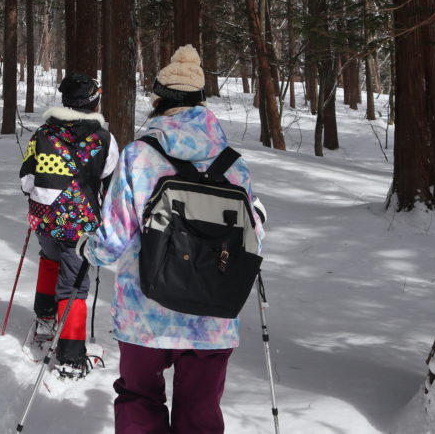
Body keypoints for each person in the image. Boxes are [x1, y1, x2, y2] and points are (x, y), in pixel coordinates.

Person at [77, 45, 266, 433]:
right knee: (200, 412)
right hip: (212, 316)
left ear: (158, 101)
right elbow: (251, 237)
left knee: (140, 401)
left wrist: (86, 247)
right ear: (201, 103)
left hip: (145, 312)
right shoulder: (234, 164)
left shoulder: (139, 157)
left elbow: (113, 238)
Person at [19, 72, 119, 378]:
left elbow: (26, 181)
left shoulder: (43, 135)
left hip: (45, 218)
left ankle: (45, 318)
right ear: (93, 102)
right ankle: (71, 357)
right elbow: (111, 184)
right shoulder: (103, 139)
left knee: (49, 261)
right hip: (81, 225)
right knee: (74, 284)